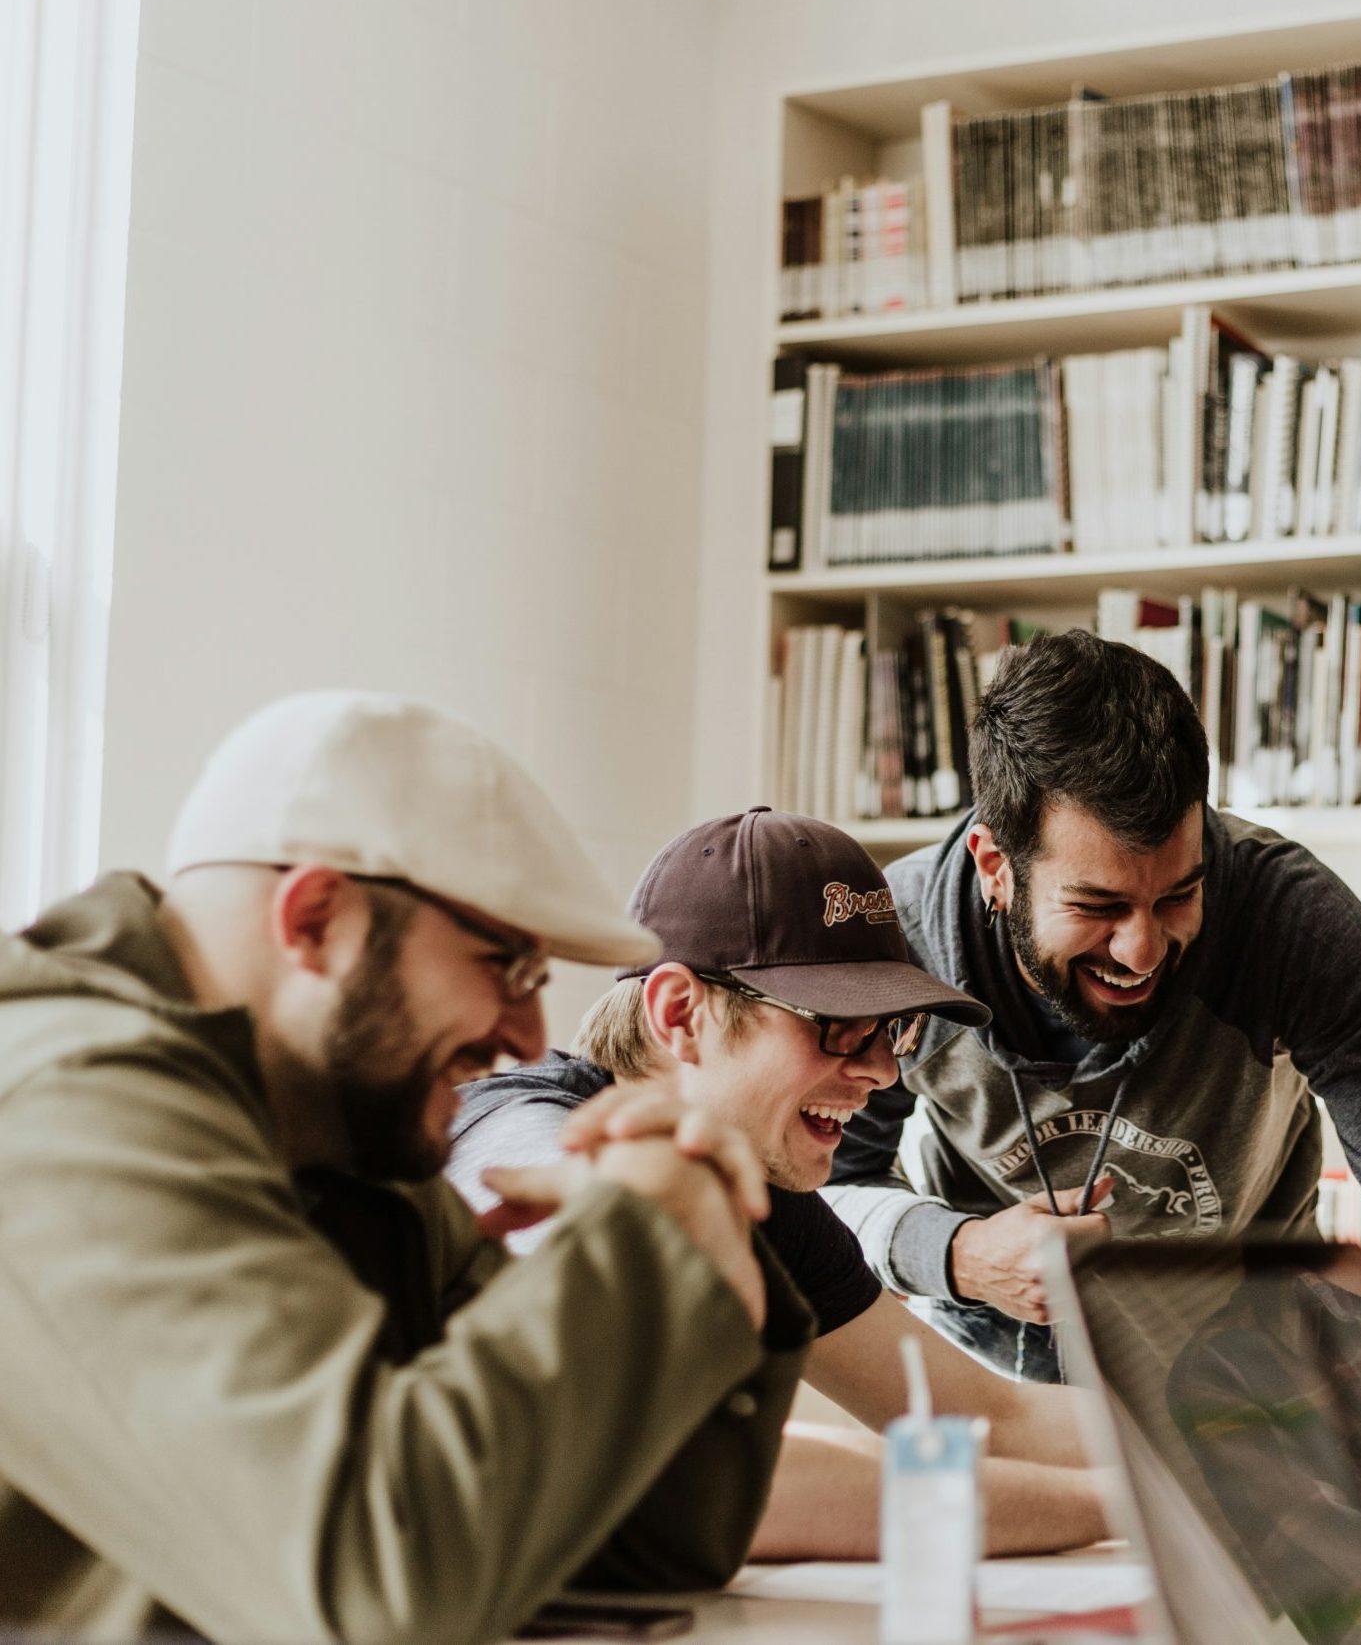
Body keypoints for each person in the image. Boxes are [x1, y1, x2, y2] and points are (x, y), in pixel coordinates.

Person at [0, 692, 811, 1645]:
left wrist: (703, 1235)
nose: (528, 1035)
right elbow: (378, 1585)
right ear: (314, 920)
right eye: (504, 964)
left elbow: (634, 1545)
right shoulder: (71, 1112)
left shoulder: (340, 1133)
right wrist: (647, 1238)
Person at [825, 631, 1361, 1474]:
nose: (1143, 949)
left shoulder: (1289, 918)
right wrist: (957, 1254)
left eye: (1178, 894)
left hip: (1255, 1385)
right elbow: (828, 1191)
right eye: (1098, 905)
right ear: (996, 864)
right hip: (1001, 1404)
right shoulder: (897, 941)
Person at [450, 807, 1115, 1559]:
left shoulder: (761, 1196)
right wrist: (1129, 1505)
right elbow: (696, 1475)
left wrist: (1223, 1449)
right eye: (838, 1024)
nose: (883, 1071)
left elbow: (984, 1415)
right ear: (680, 1014)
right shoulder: (524, 1144)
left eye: (892, 1029)